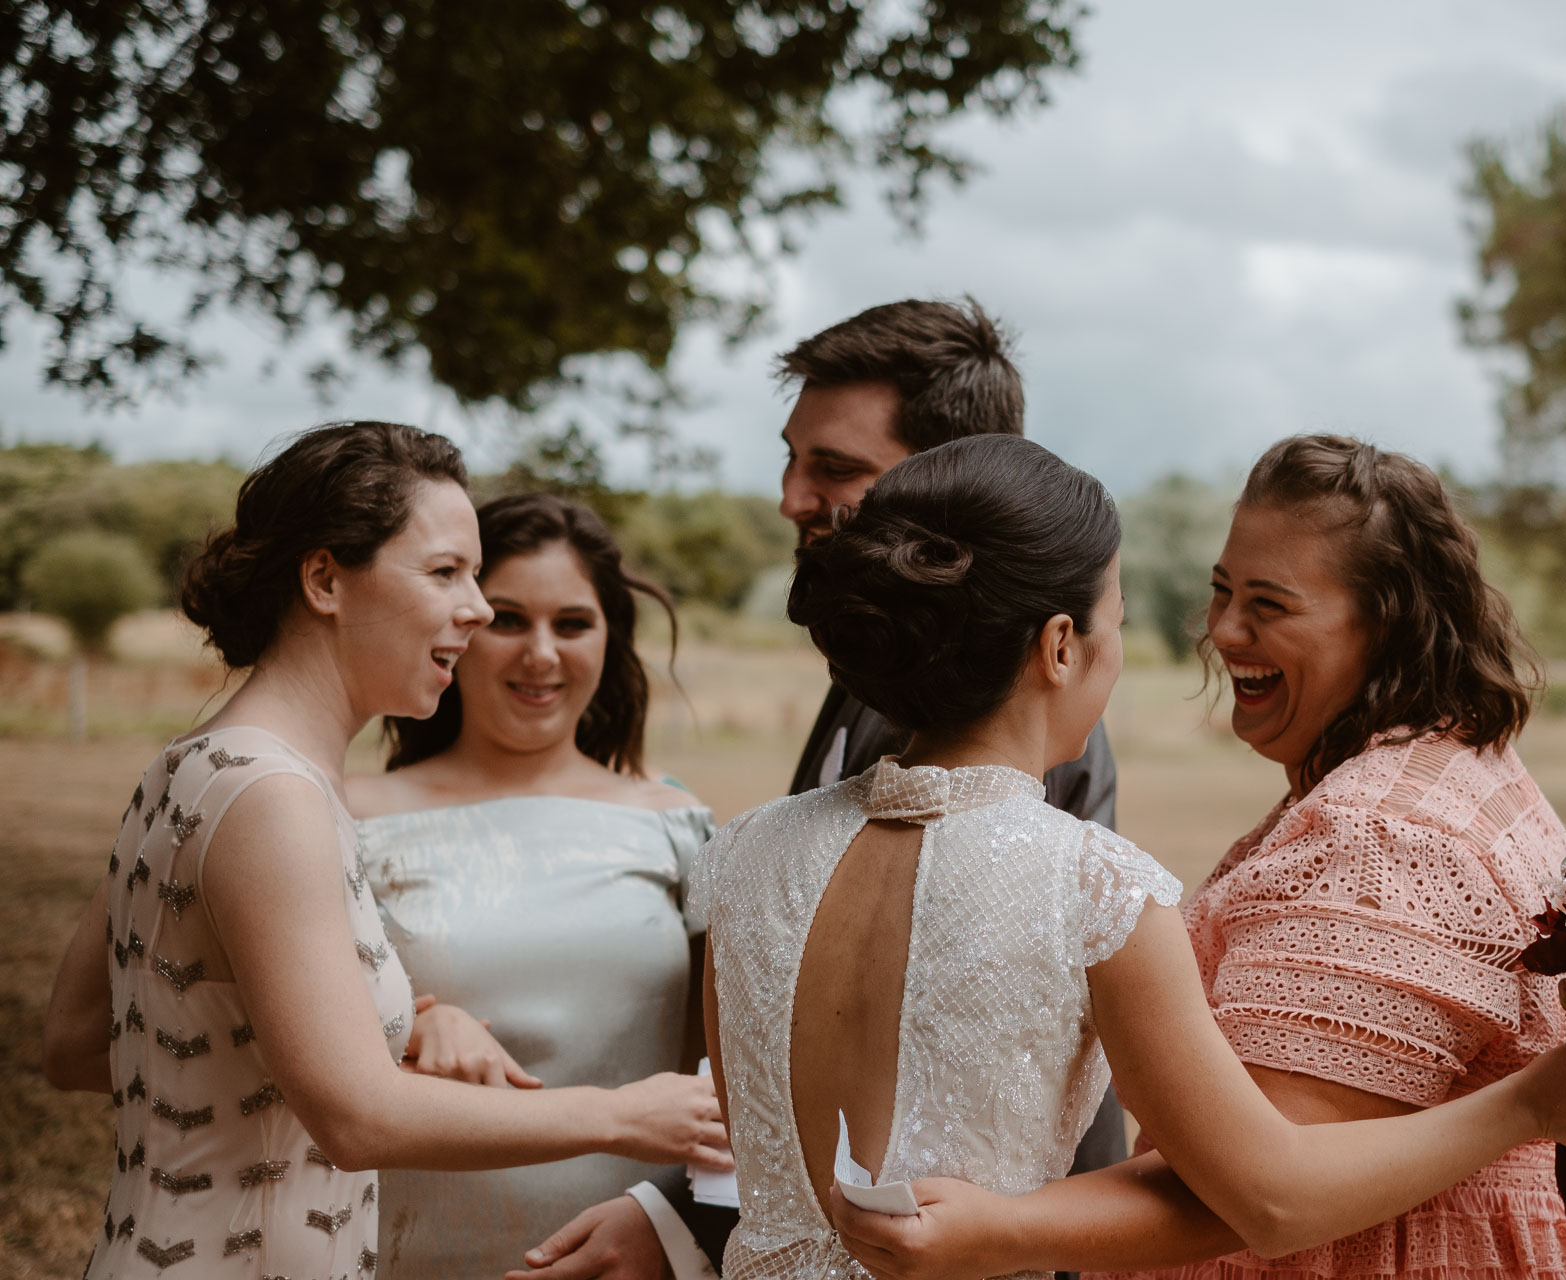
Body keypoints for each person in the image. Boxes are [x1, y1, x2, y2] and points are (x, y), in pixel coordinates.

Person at [698, 433, 1566, 1280]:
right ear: (1057, 645)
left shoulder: (738, 856)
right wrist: (1532, 1105)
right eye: (1120, 617)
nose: (1211, 632)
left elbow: (763, 1151)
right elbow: (1267, 1192)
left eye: (1262, 601)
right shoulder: (1094, 883)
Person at [519, 299, 1124, 1280]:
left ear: (954, 479)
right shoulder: (868, 691)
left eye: (833, 468)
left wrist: (682, 1217)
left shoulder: (1017, 728)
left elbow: (954, 1059)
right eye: (790, 459)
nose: (791, 496)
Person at [39, 422, 707, 1280]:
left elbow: (77, 1040)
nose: (474, 606)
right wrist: (622, 1116)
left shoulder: (194, 763)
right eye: (444, 573)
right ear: (324, 579)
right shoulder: (272, 798)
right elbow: (357, 1120)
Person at [346, 493, 731, 1279]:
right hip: (405, 1246)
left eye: (573, 624)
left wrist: (680, 1233)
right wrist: (406, 1026)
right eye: (509, 619)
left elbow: (733, 1077)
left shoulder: (679, 825)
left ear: (609, 638)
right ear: (457, 625)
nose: (542, 655)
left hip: (627, 1256)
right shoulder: (347, 813)